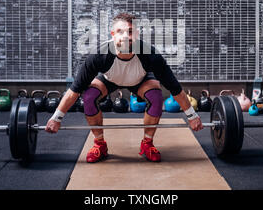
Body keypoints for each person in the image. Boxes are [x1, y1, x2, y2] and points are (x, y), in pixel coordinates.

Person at [45, 12, 203, 162]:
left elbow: (175, 89)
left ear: (137, 35)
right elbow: (74, 91)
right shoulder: (99, 55)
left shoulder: (151, 55)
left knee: (156, 96)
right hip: (110, 80)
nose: (126, 36)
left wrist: (192, 116)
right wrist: (56, 118)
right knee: (89, 96)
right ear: (113, 35)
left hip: (140, 80)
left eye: (130, 31)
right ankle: (100, 144)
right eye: (120, 31)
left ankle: (147, 144)